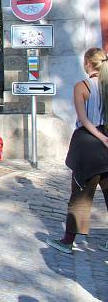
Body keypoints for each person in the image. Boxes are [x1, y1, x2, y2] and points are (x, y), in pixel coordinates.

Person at [45, 48, 108, 254]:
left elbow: (84, 120)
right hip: (106, 144)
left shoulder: (82, 86)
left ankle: (68, 240)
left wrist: (101, 137)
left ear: (88, 64)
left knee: (80, 192)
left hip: (89, 144)